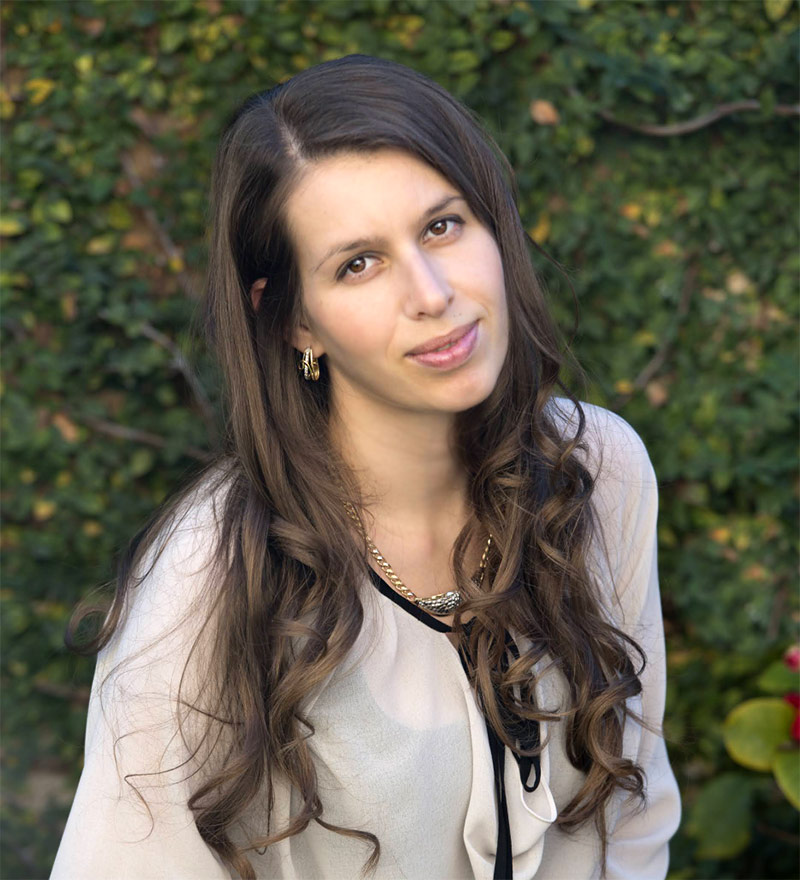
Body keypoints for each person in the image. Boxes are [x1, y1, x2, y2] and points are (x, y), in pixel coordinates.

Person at [51, 54, 681, 880]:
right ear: (293, 322)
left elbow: (627, 822)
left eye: (442, 226)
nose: (431, 292)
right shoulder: (208, 578)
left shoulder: (599, 471)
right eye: (358, 263)